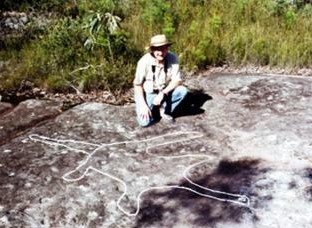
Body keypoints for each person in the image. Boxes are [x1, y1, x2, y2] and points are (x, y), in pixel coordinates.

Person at [133, 34, 188, 127]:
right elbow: (137, 84)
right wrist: (143, 105)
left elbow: (177, 80)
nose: (161, 52)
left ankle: (163, 110)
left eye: (163, 48)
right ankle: (155, 110)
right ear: (152, 49)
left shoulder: (173, 58)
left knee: (182, 91)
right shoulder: (144, 61)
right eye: (157, 49)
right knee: (144, 122)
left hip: (163, 92)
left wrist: (163, 93)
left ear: (167, 48)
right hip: (149, 93)